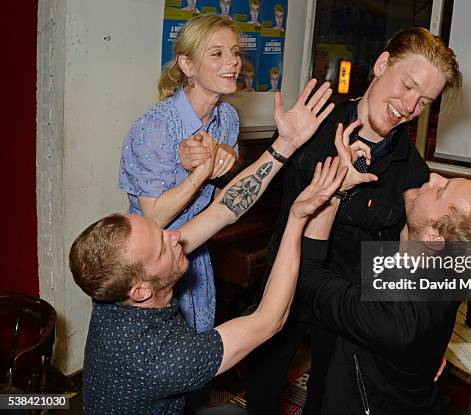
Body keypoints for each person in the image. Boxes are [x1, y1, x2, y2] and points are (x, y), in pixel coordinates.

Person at [71, 79, 338, 415]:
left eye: (160, 231)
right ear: (139, 290)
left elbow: (223, 210)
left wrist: (285, 145)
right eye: (161, 247)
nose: (175, 235)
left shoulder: (111, 288)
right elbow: (270, 319)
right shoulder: (163, 358)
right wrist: (298, 218)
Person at [244, 27, 463, 415]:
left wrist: (431, 339)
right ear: (381, 65)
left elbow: (416, 263)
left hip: (344, 307)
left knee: (326, 401)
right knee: (261, 389)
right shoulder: (313, 125)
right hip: (284, 285)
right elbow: (251, 188)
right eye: (407, 85)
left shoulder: (413, 174)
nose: (409, 106)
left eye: (424, 99)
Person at [294, 123, 471, 414]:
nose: (434, 176)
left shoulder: (392, 317)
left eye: (441, 191)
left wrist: (335, 189)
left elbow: (308, 273)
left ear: (435, 237)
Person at [119, 15, 242, 335]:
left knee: (196, 349)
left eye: (235, 52)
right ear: (187, 65)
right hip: (153, 258)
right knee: (160, 362)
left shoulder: (227, 118)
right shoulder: (155, 127)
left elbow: (222, 191)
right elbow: (154, 217)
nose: (232, 61)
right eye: (217, 54)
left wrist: (228, 159)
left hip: (197, 249)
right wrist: (199, 173)